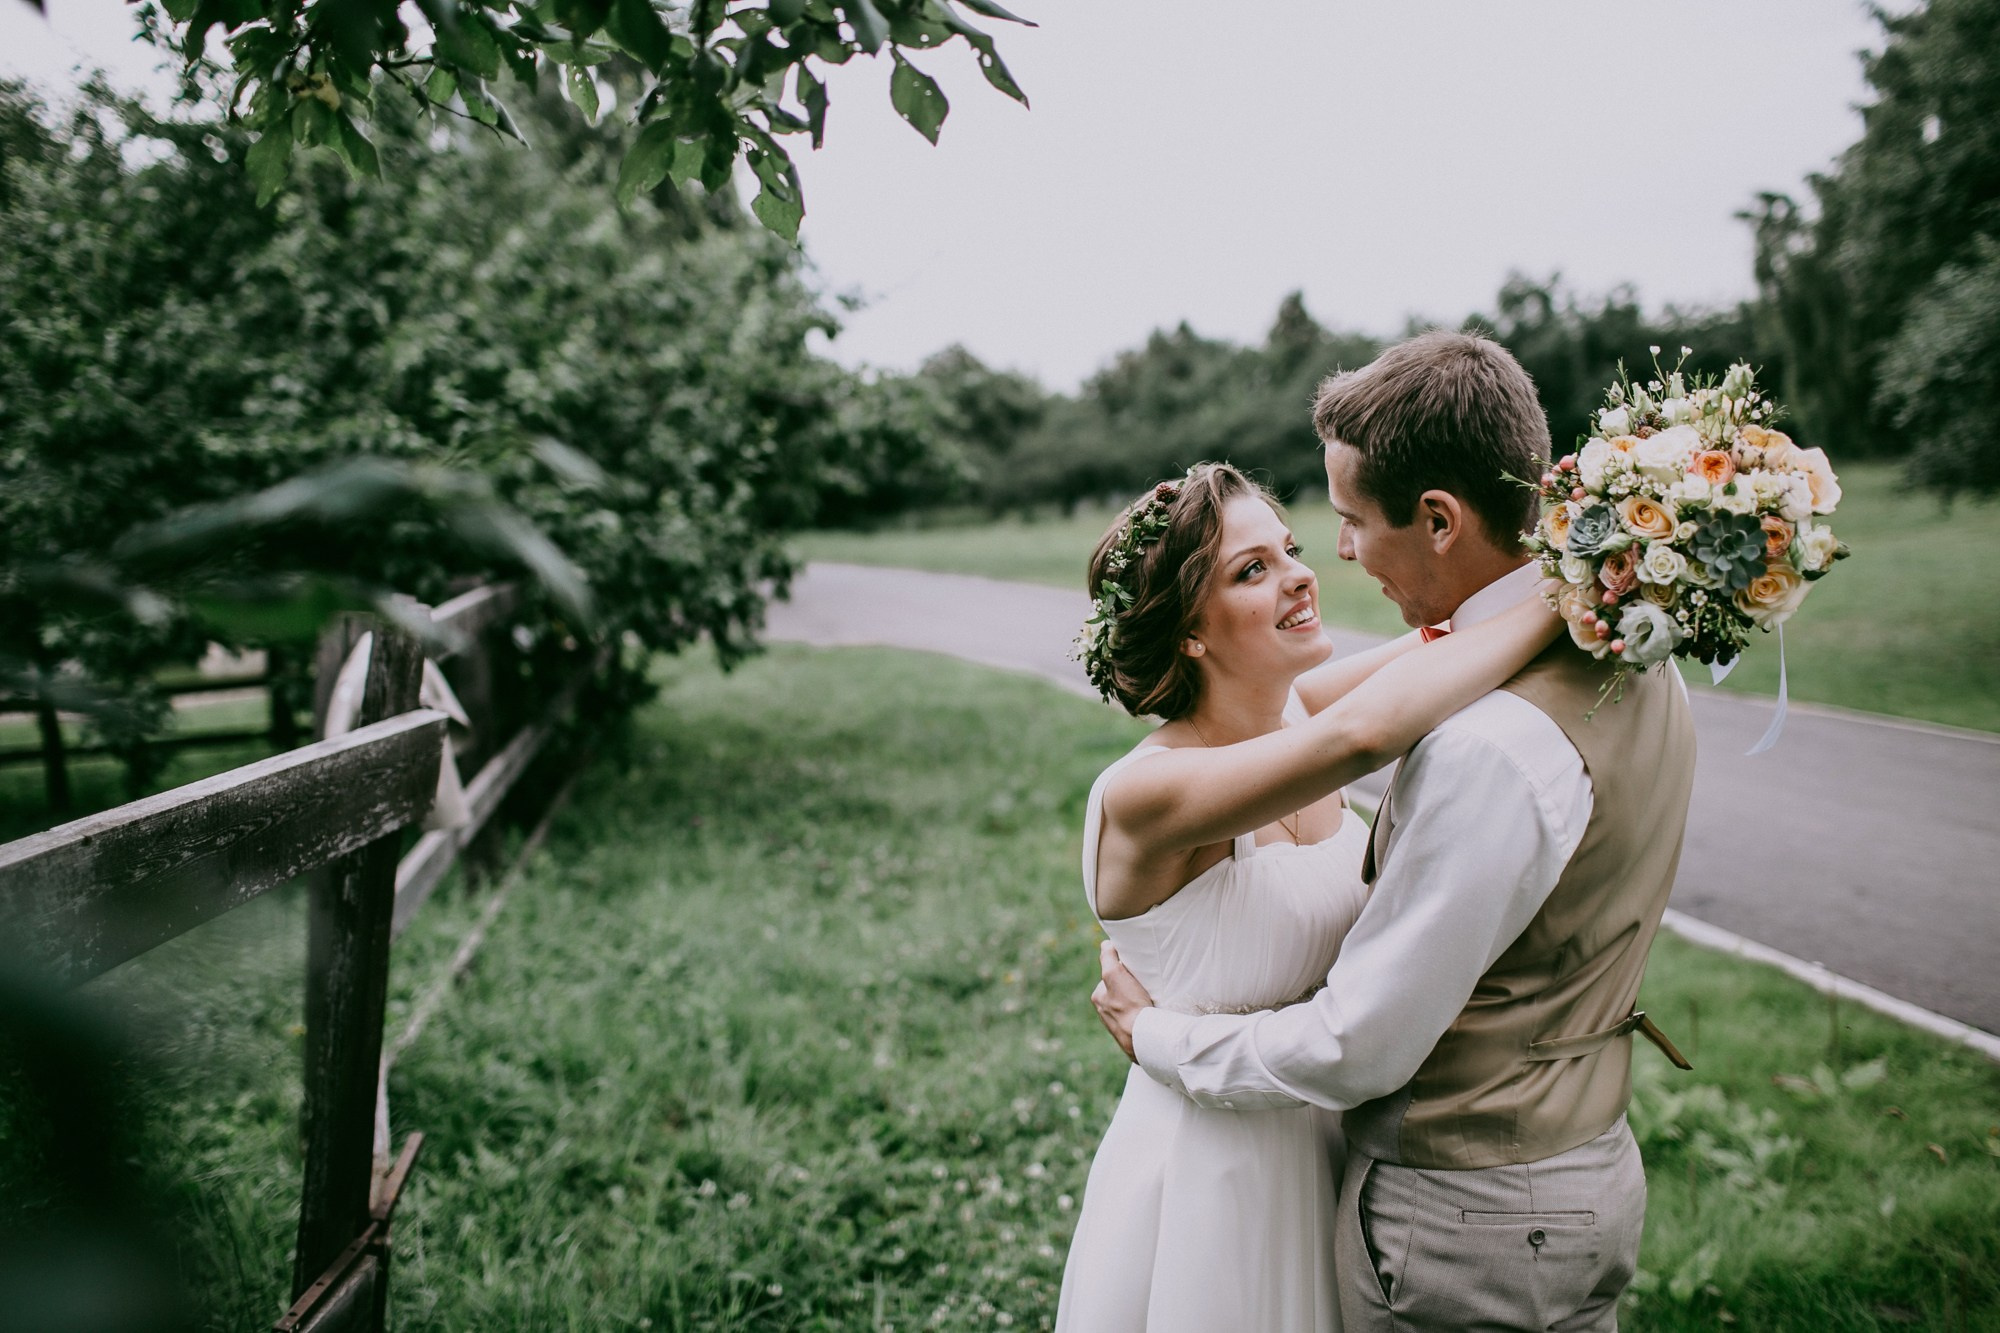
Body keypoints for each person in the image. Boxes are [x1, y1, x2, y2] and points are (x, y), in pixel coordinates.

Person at [1091, 331, 1698, 1333]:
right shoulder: (1634, 655)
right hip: (1246, 1172)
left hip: (1466, 1210)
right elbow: (1386, 700)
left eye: (1328, 527)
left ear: (1434, 518)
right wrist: (1581, 580)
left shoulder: (1482, 743)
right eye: (1258, 565)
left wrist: (1154, 1034)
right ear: (1188, 628)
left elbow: (1384, 708)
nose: (1320, 563)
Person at [1054, 459, 1563, 1333]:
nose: (1298, 573)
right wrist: (1572, 599)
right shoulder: (1148, 795)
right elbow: (1366, 735)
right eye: (1251, 569)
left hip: (1338, 1139)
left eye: (1287, 548)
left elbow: (1451, 635)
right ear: (1188, 632)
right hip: (1212, 1173)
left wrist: (1598, 557)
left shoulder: (1299, 715)